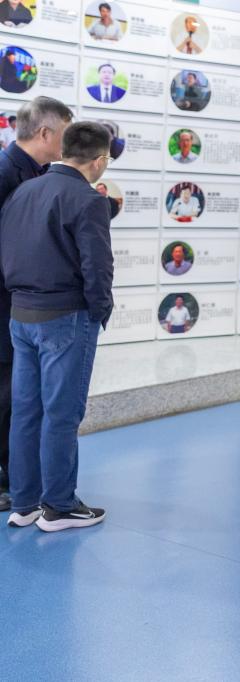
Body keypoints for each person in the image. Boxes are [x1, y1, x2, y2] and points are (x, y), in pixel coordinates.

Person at [0, 121, 113, 531]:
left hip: (20, 315)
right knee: (62, 413)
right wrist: (100, 311)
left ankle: (25, 502)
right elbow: (97, 267)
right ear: (100, 160)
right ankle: (60, 506)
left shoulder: (23, 191)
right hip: (66, 317)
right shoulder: (88, 200)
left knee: (26, 412)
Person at [0, 96, 72, 514]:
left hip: (21, 306)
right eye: (64, 133)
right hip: (7, 304)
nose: (68, 142)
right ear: (45, 133)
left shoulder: (38, 174)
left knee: (20, 400)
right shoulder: (5, 173)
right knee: (6, 398)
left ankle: (20, 480)